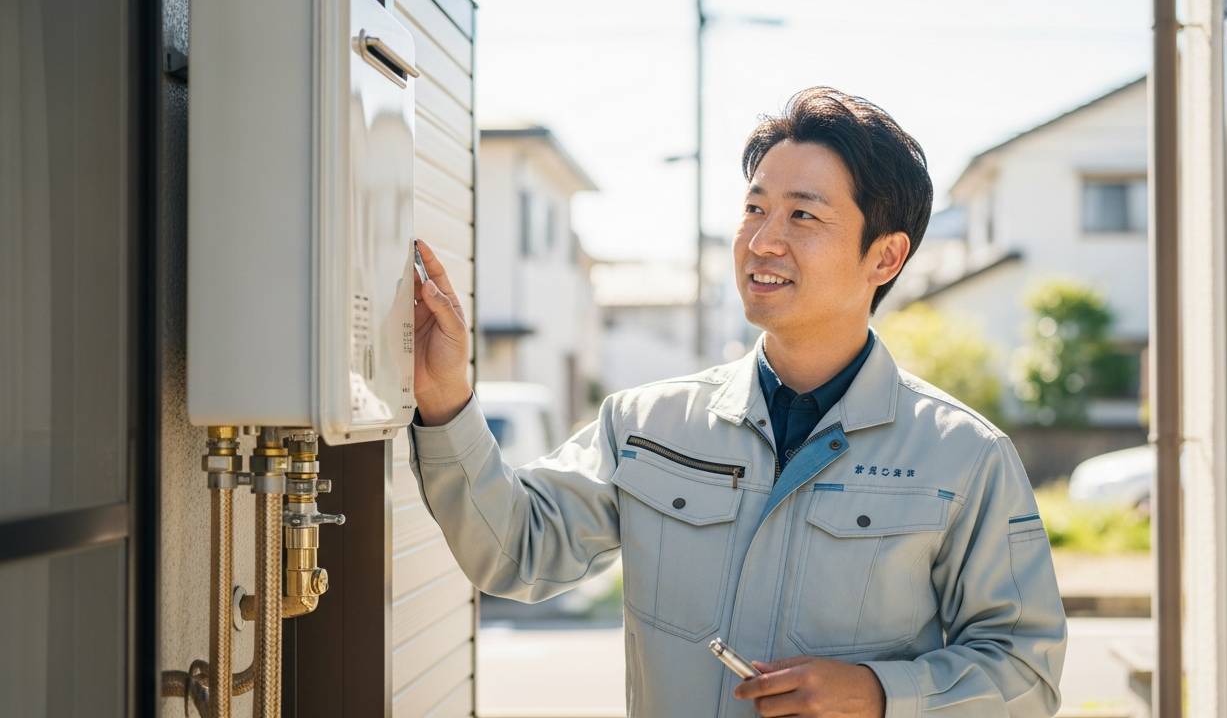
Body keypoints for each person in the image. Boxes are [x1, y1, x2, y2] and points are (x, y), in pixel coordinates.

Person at [408, 87, 1066, 718]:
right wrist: (446, 402)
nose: (762, 241)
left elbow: (1025, 675)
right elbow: (516, 551)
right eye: (755, 209)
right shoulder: (645, 426)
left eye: (802, 214)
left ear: (886, 256)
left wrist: (880, 696)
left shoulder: (964, 456)